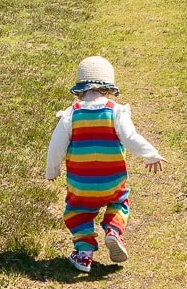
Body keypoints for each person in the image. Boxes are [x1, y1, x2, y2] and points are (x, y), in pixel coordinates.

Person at [45, 56, 166, 273]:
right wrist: (151, 154)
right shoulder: (115, 111)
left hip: (81, 186)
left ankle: (84, 253)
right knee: (120, 203)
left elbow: (56, 146)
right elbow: (131, 137)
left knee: (77, 212)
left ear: (80, 87)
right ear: (108, 87)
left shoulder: (71, 114)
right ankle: (113, 230)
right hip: (112, 182)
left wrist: (52, 170)